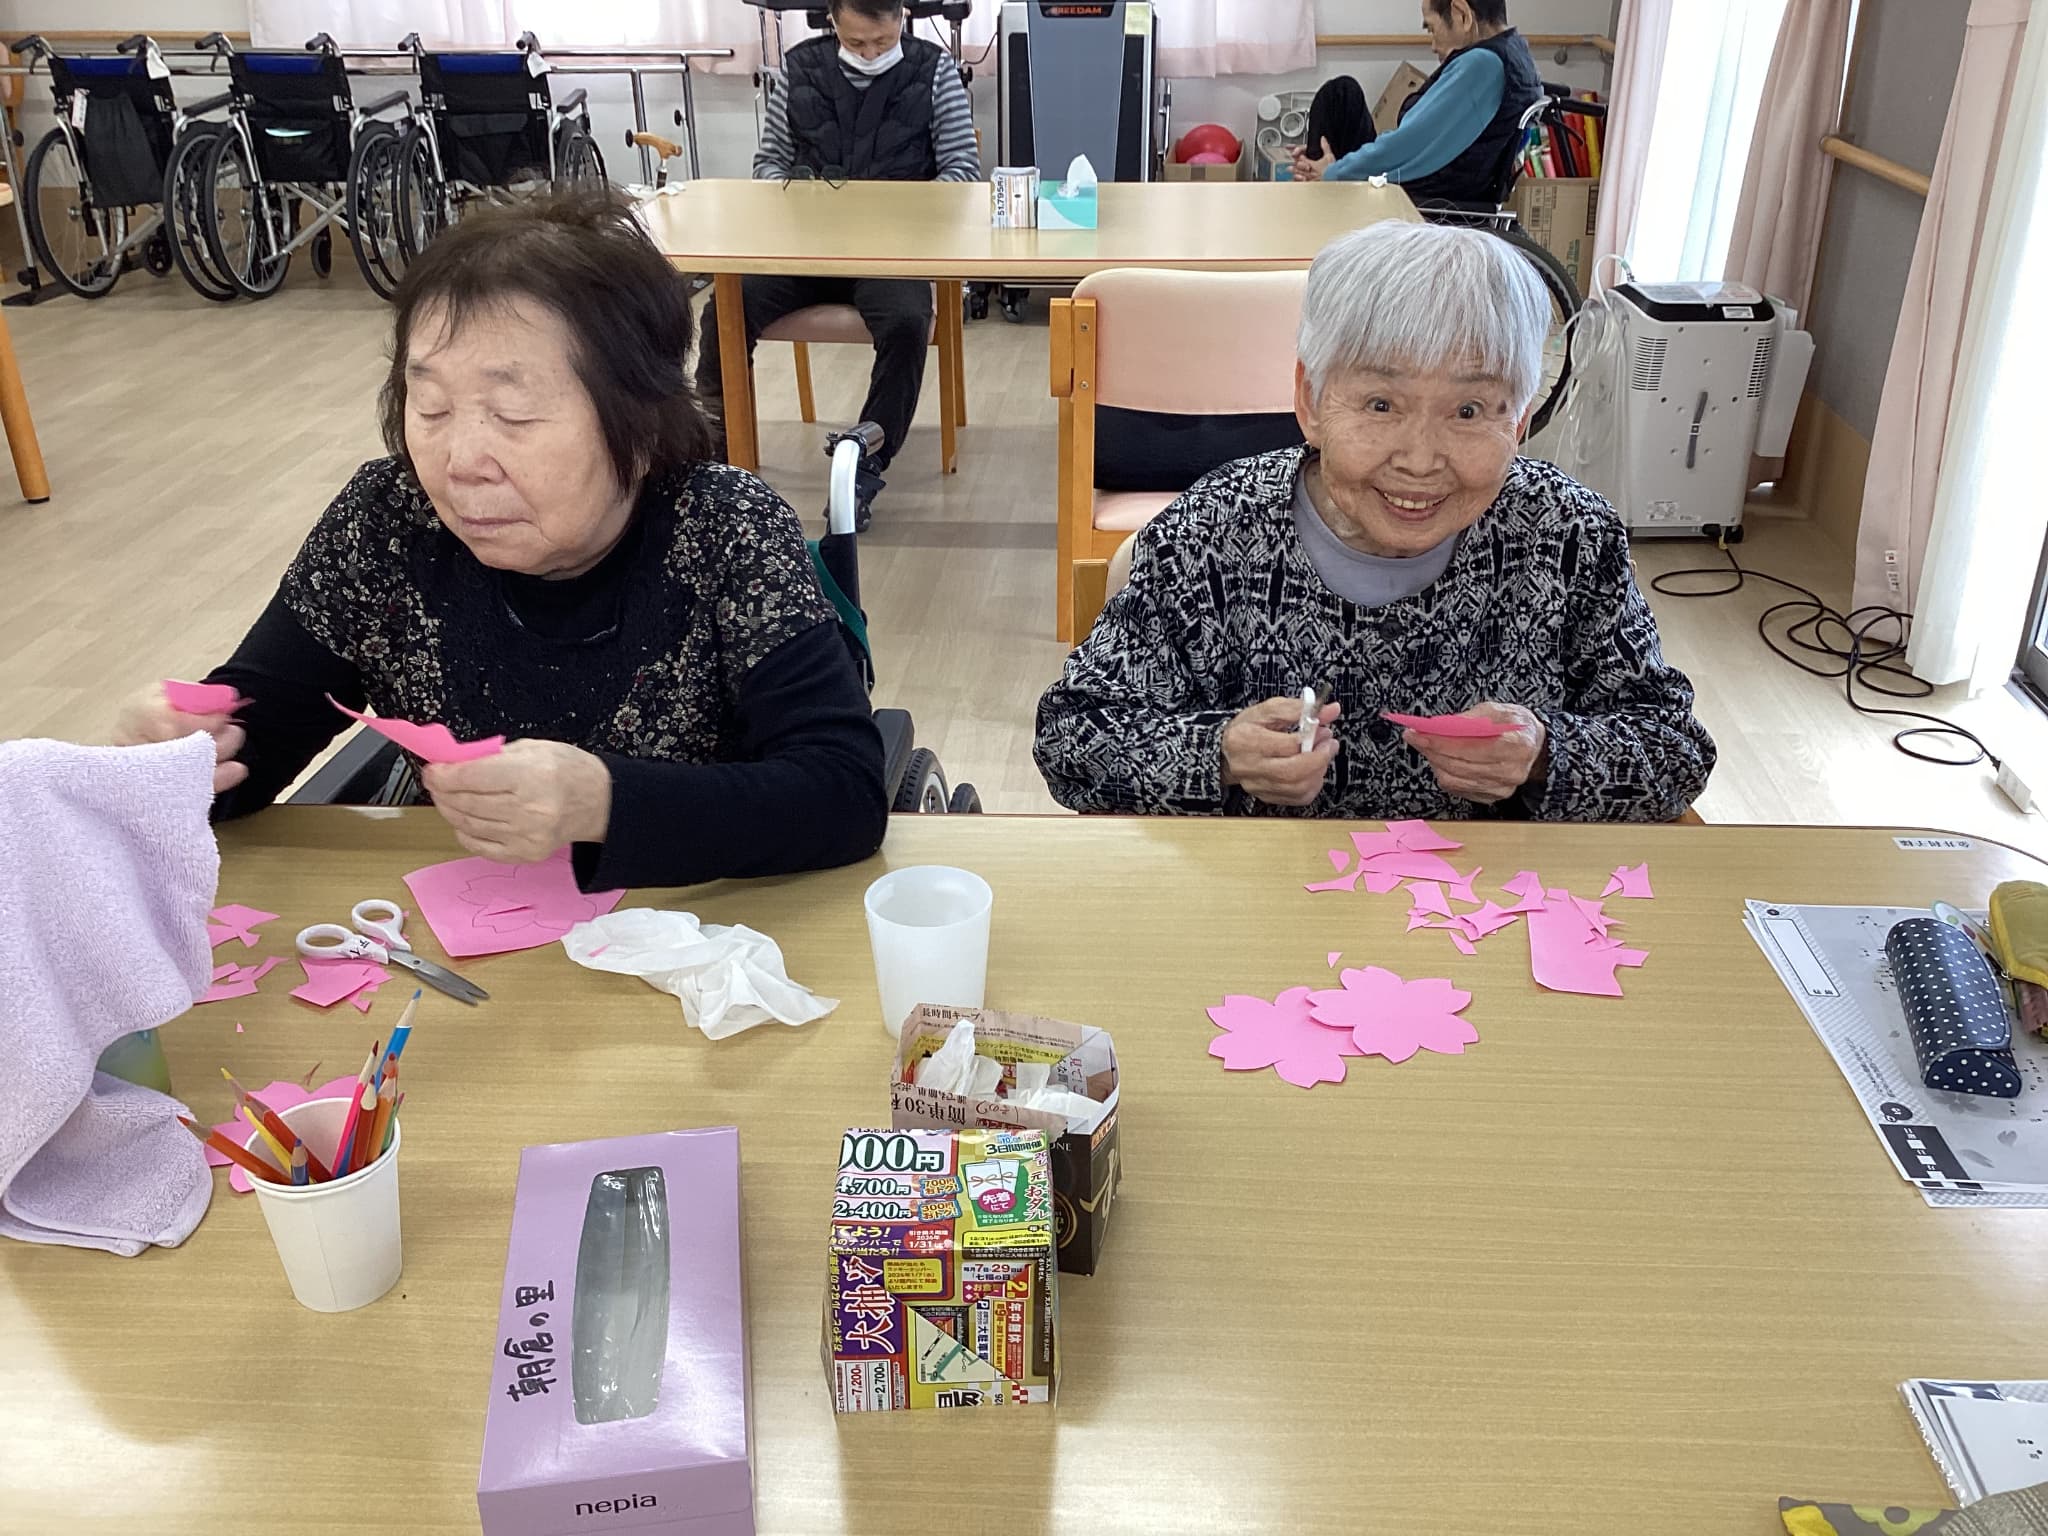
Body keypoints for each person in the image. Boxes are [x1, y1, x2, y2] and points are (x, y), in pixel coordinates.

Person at [114, 190, 889, 892]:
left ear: (643, 425)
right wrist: (178, 756)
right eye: (432, 407)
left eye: (513, 417)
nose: (460, 465)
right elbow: (258, 742)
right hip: (468, 932)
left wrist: (604, 802)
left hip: (698, 936)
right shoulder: (387, 524)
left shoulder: (725, 529)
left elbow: (843, 792)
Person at [1033, 220, 1715, 824]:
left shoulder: (1568, 537)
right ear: (1310, 401)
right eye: (1381, 404)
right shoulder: (1213, 533)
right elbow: (1071, 739)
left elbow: (1675, 749)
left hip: (1497, 922)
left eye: (1470, 411)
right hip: (1255, 917)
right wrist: (1220, 755)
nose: (1421, 461)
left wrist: (1544, 755)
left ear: (1522, 420)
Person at [696, 0, 982, 529]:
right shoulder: (800, 69)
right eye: (856, 44)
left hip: (890, 251)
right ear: (833, 22)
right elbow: (769, 164)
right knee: (727, 307)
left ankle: (863, 463)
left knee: (906, 321)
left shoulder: (934, 69)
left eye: (881, 42)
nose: (870, 54)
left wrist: (903, 215)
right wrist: (790, 199)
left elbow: (962, 172)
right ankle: (711, 452)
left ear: (901, 19)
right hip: (807, 246)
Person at [1292, 0, 1541, 210]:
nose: (1433, 45)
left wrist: (1334, 174)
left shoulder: (1482, 66)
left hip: (1423, 199)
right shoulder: (1515, 54)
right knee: (1343, 95)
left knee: (1336, 97)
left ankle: (1315, 185)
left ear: (1461, 13)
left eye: (1431, 29)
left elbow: (1405, 147)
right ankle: (1316, 170)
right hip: (1441, 185)